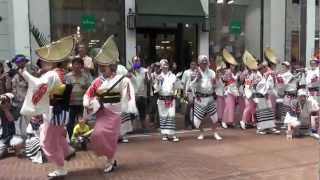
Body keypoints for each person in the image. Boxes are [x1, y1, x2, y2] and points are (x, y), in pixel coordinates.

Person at [19, 35, 75, 177]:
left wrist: (24, 73)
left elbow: (38, 85)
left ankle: (61, 168)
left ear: (51, 62)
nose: (41, 63)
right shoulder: (62, 74)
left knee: (47, 142)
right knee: (54, 135)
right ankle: (68, 151)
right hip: (62, 111)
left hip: (55, 113)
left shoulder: (51, 74)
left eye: (43, 61)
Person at [83, 35, 137, 173]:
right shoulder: (98, 81)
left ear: (111, 66)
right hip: (102, 113)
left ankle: (109, 160)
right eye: (100, 66)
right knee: (97, 135)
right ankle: (110, 159)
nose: (102, 69)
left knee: (111, 138)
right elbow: (88, 93)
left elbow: (130, 89)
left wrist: (130, 104)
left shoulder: (121, 79)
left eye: (104, 66)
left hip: (115, 113)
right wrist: (86, 102)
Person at [189, 55, 222, 140]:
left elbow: (216, 86)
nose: (204, 64)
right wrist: (197, 79)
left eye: (205, 62)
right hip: (200, 99)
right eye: (202, 63)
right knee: (197, 120)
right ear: (199, 64)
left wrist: (217, 79)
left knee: (215, 118)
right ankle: (201, 132)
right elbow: (191, 86)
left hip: (210, 98)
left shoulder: (211, 72)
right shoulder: (195, 73)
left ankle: (215, 132)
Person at [153, 59, 179, 142]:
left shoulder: (173, 76)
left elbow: (177, 87)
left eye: (166, 65)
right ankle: (165, 134)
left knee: (171, 115)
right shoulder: (158, 76)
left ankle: (173, 134)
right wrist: (158, 81)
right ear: (161, 67)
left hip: (170, 99)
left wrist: (176, 89)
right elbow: (156, 89)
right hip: (161, 99)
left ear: (168, 66)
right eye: (163, 65)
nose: (165, 67)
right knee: (163, 116)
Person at [65, 57, 91, 139]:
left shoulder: (85, 76)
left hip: (82, 103)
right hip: (71, 103)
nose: (77, 66)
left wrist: (86, 86)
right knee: (70, 123)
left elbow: (90, 88)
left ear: (82, 66)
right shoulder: (68, 76)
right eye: (75, 64)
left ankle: (83, 140)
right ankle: (70, 139)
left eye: (79, 64)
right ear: (72, 66)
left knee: (83, 122)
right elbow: (65, 89)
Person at [254, 59, 280, 135]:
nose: (266, 68)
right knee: (262, 112)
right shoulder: (257, 75)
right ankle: (260, 129)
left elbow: (270, 86)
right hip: (260, 96)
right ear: (261, 68)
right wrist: (265, 78)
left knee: (269, 111)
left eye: (266, 67)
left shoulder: (266, 75)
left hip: (266, 95)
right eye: (264, 67)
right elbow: (258, 86)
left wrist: (272, 78)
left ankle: (270, 127)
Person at [128, 56, 148, 132]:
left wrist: (147, 76)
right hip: (133, 96)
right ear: (133, 62)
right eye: (135, 61)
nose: (137, 62)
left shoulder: (145, 71)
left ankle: (144, 127)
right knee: (131, 113)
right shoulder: (130, 71)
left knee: (143, 113)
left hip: (142, 95)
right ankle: (131, 129)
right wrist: (130, 71)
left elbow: (147, 82)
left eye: (138, 60)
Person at [0, 93, 24, 159]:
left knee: (19, 141)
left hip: (13, 136)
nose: (4, 102)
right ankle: (5, 149)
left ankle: (16, 150)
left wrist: (5, 109)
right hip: (2, 138)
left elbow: (11, 119)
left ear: (11, 101)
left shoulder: (17, 109)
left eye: (6, 100)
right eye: (3, 100)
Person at [222, 49, 239, 128]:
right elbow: (224, 79)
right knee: (228, 106)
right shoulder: (228, 71)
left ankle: (230, 121)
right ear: (230, 65)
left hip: (234, 91)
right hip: (228, 91)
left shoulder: (234, 72)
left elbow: (236, 82)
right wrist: (227, 77)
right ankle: (224, 121)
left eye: (234, 65)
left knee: (232, 107)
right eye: (232, 65)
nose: (233, 66)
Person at [181, 61, 197, 129]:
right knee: (188, 109)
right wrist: (184, 93)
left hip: (196, 93)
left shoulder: (197, 72)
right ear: (190, 65)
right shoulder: (186, 72)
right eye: (192, 64)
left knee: (195, 109)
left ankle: (194, 123)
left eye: (194, 64)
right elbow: (183, 83)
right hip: (188, 92)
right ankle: (187, 123)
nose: (193, 65)